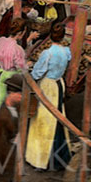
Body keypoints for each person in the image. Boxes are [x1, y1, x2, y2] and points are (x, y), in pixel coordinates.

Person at [25, 26, 72, 171]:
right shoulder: (66, 51)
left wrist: (29, 69)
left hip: (48, 86)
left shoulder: (47, 53)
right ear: (63, 37)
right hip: (59, 84)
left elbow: (38, 73)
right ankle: (60, 154)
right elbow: (67, 63)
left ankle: (41, 158)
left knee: (43, 120)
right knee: (58, 117)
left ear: (51, 36)